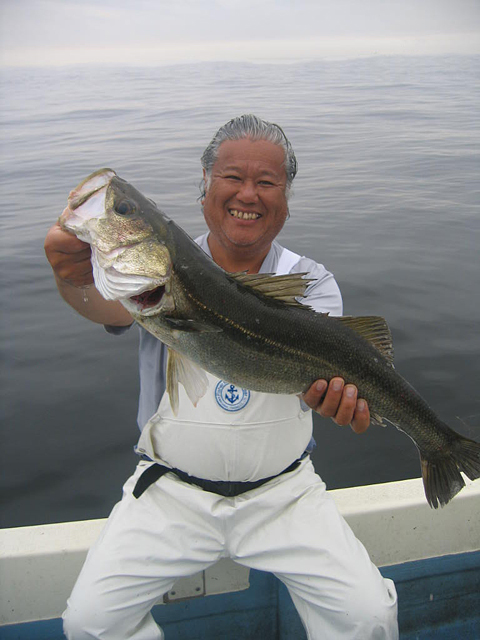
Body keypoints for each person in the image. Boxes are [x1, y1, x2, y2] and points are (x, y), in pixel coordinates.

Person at [45, 115, 398, 639]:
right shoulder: (157, 276)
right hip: (170, 492)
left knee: (370, 617)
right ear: (205, 186)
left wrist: (339, 401)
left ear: (285, 198)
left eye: (267, 182)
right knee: (90, 624)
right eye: (232, 177)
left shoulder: (310, 283)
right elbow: (105, 306)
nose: (247, 194)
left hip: (283, 493)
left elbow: (331, 381)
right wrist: (72, 277)